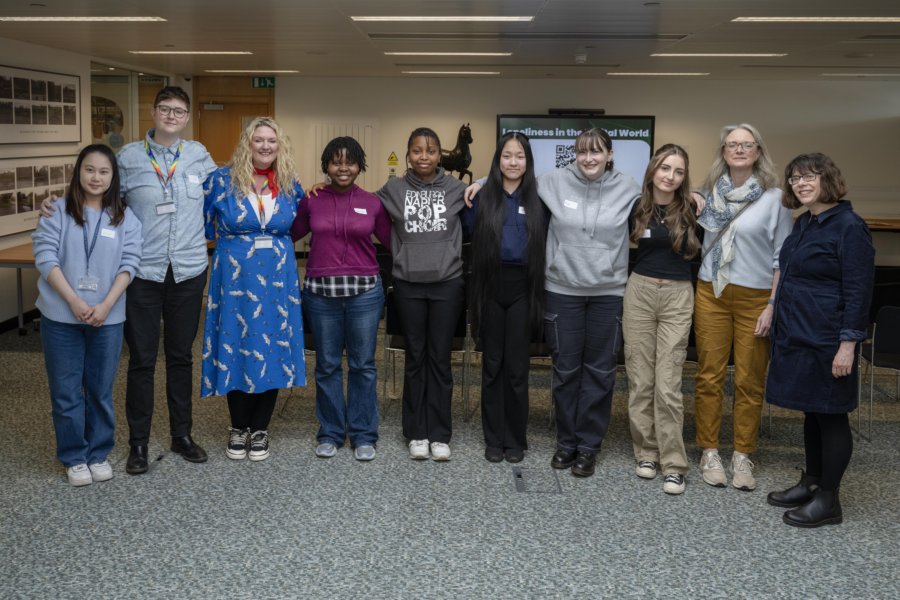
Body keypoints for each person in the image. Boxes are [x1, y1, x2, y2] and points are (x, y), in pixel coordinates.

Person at [41, 86, 217, 474]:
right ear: (153, 113)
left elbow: (225, 193)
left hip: (188, 270)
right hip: (142, 272)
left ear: (187, 117)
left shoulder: (199, 155)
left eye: (179, 111)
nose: (172, 116)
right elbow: (96, 192)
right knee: (140, 360)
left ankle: (181, 435)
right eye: (165, 109)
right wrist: (55, 200)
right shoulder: (128, 158)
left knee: (180, 357)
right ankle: (137, 443)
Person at [466, 128, 642, 477]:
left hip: (607, 292)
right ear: (574, 154)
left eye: (597, 152)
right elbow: (512, 175)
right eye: (582, 151)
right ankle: (565, 443)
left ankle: (588, 446)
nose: (589, 158)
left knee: (599, 372)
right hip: (562, 290)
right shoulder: (553, 182)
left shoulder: (629, 187)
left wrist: (695, 194)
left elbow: (663, 194)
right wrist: (481, 181)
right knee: (564, 373)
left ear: (610, 155)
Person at [310, 127, 468, 461]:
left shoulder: (458, 189)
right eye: (416, 151)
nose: (423, 156)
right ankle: (415, 434)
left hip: (447, 283)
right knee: (415, 359)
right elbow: (354, 198)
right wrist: (319, 190)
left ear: (441, 155)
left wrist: (481, 182)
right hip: (408, 283)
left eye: (431, 151)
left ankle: (440, 434)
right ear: (407, 155)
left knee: (440, 360)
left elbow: (487, 200)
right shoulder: (392, 190)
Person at [765, 153, 874, 527]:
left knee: (831, 416)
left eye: (809, 176)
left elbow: (859, 293)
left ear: (828, 179)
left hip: (829, 338)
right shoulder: (804, 223)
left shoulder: (849, 227)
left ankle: (829, 500)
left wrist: (848, 346)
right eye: (794, 178)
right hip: (799, 333)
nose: (800, 183)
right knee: (812, 410)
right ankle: (811, 482)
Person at [32, 145, 142, 486]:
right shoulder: (58, 211)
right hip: (61, 315)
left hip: (107, 316)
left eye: (104, 172)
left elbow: (130, 264)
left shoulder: (126, 217)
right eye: (90, 170)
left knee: (99, 389)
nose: (96, 177)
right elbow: (45, 256)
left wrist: (107, 304)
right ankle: (74, 456)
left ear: (113, 177)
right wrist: (73, 301)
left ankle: (98, 453)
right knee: (65, 390)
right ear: (79, 172)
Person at [692, 124, 793, 491]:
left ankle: (742, 454)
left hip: (755, 298)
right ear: (723, 151)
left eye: (746, 145)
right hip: (711, 294)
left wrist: (771, 304)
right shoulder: (706, 195)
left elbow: (783, 257)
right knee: (709, 376)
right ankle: (709, 450)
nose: (738, 150)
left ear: (757, 152)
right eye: (732, 144)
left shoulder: (775, 198)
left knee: (750, 380)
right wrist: (689, 192)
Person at [202, 117, 307, 462]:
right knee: (237, 344)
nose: (265, 146)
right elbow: (203, 225)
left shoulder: (292, 185)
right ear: (247, 144)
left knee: (272, 346)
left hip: (278, 281)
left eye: (271, 141)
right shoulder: (220, 181)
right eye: (258, 140)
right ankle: (238, 427)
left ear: (280, 147)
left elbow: (305, 220)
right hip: (234, 281)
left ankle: (260, 428)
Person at [291, 137, 391, 461]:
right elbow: (288, 232)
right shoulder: (312, 200)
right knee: (327, 366)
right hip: (321, 295)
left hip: (364, 294)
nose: (343, 167)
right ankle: (331, 432)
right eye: (336, 161)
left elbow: (394, 241)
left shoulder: (373, 202)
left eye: (350, 161)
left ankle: (363, 434)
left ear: (360, 165)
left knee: (363, 365)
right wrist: (294, 193)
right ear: (326, 166)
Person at [461, 132, 547, 464]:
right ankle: (493, 438)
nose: (513, 162)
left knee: (517, 369)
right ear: (498, 160)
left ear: (528, 161)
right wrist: (481, 183)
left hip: (524, 288)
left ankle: (515, 439)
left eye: (520, 156)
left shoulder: (541, 197)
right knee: (493, 365)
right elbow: (466, 233)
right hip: (489, 287)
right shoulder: (482, 196)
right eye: (507, 156)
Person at [623, 144, 702, 495]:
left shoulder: (693, 208)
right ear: (653, 169)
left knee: (668, 384)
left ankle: (674, 464)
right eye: (665, 168)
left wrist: (701, 193)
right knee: (640, 379)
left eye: (679, 171)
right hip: (639, 293)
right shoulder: (636, 207)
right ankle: (647, 453)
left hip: (677, 296)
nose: (670, 176)